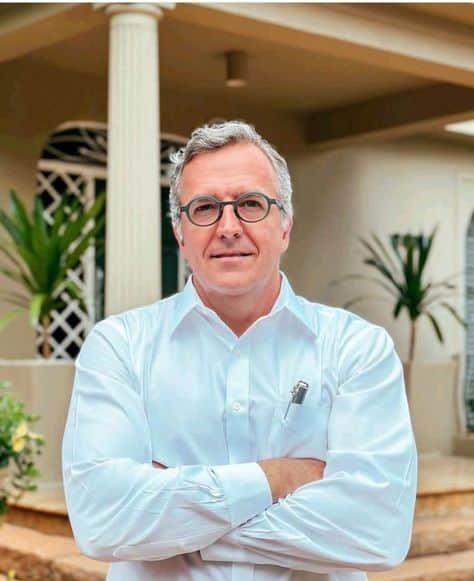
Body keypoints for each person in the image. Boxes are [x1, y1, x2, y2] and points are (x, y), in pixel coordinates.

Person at [62, 120, 417, 581]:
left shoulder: (356, 349)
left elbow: (377, 530)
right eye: (205, 207)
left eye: (250, 204)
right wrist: (279, 477)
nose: (228, 227)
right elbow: (103, 522)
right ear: (180, 233)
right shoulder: (120, 347)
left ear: (284, 226)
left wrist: (175, 516)